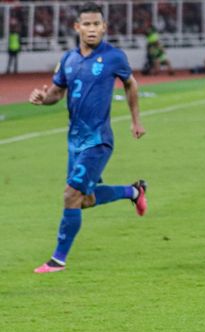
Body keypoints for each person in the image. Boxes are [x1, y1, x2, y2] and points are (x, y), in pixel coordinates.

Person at [30, 2, 148, 274]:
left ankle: (58, 260)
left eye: (97, 24)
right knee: (86, 199)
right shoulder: (68, 60)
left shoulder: (114, 57)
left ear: (104, 27)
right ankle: (134, 191)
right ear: (77, 27)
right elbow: (56, 94)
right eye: (87, 24)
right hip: (75, 141)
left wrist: (135, 120)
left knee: (71, 195)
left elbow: (130, 83)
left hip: (98, 140)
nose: (92, 29)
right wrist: (42, 98)